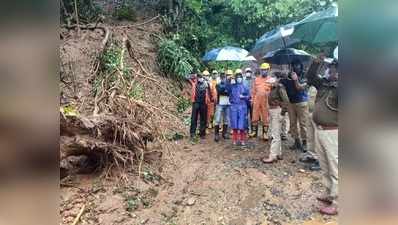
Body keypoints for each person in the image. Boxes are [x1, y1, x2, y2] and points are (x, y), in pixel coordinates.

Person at [306, 57, 338, 215]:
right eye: (330, 68)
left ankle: (338, 202)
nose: (331, 71)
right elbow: (310, 77)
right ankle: (329, 193)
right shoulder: (324, 84)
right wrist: (316, 63)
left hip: (334, 132)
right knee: (325, 166)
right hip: (320, 131)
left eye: (334, 69)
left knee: (335, 167)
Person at [280, 61, 310, 152]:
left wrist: (295, 79)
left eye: (297, 65)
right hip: (291, 103)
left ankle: (305, 142)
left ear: (301, 66)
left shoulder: (305, 76)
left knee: (303, 123)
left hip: (302, 102)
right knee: (293, 124)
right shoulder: (289, 75)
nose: (296, 67)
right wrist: (282, 79)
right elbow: (282, 84)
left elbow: (299, 88)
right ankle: (296, 141)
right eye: (294, 65)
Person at [262, 74, 286, 163]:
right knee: (276, 133)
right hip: (273, 111)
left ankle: (272, 156)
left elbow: (286, 101)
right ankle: (278, 153)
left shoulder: (280, 88)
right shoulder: (273, 88)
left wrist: (282, 113)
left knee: (275, 135)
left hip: (277, 111)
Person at [250, 63, 273, 140]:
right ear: (261, 70)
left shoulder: (271, 80)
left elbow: (273, 92)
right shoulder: (256, 79)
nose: (264, 71)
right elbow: (253, 91)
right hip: (256, 100)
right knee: (254, 116)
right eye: (263, 70)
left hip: (266, 101)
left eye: (265, 70)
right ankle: (254, 132)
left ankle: (265, 133)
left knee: (265, 117)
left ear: (268, 70)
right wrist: (252, 101)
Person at [189, 72, 213, 140]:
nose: (200, 78)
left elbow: (210, 93)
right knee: (194, 119)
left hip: (204, 103)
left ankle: (202, 133)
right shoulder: (194, 82)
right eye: (199, 77)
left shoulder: (207, 84)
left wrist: (210, 100)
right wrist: (194, 75)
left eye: (201, 77)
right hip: (195, 103)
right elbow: (188, 77)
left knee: (203, 119)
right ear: (197, 78)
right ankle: (192, 133)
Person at [229, 72, 250, 146]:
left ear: (242, 78)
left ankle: (242, 140)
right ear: (235, 78)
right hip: (234, 107)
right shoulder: (232, 87)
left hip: (242, 107)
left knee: (242, 125)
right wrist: (228, 80)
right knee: (234, 124)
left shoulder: (245, 87)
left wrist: (243, 97)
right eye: (237, 77)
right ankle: (234, 139)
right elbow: (229, 96)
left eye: (240, 77)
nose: (239, 79)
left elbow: (248, 97)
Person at [214, 71, 231, 142]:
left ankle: (224, 134)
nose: (223, 78)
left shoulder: (229, 83)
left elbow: (230, 91)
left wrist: (226, 88)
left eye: (224, 77)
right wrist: (225, 87)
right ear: (220, 78)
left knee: (226, 119)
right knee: (217, 119)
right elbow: (220, 91)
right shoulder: (217, 84)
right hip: (220, 104)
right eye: (222, 77)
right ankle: (216, 135)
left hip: (227, 103)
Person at [243, 67, 254, 135]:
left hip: (252, 100)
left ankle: (253, 130)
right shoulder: (243, 80)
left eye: (249, 71)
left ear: (251, 72)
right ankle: (246, 129)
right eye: (247, 71)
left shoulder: (254, 80)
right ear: (245, 72)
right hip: (245, 100)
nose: (248, 73)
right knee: (245, 115)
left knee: (253, 116)